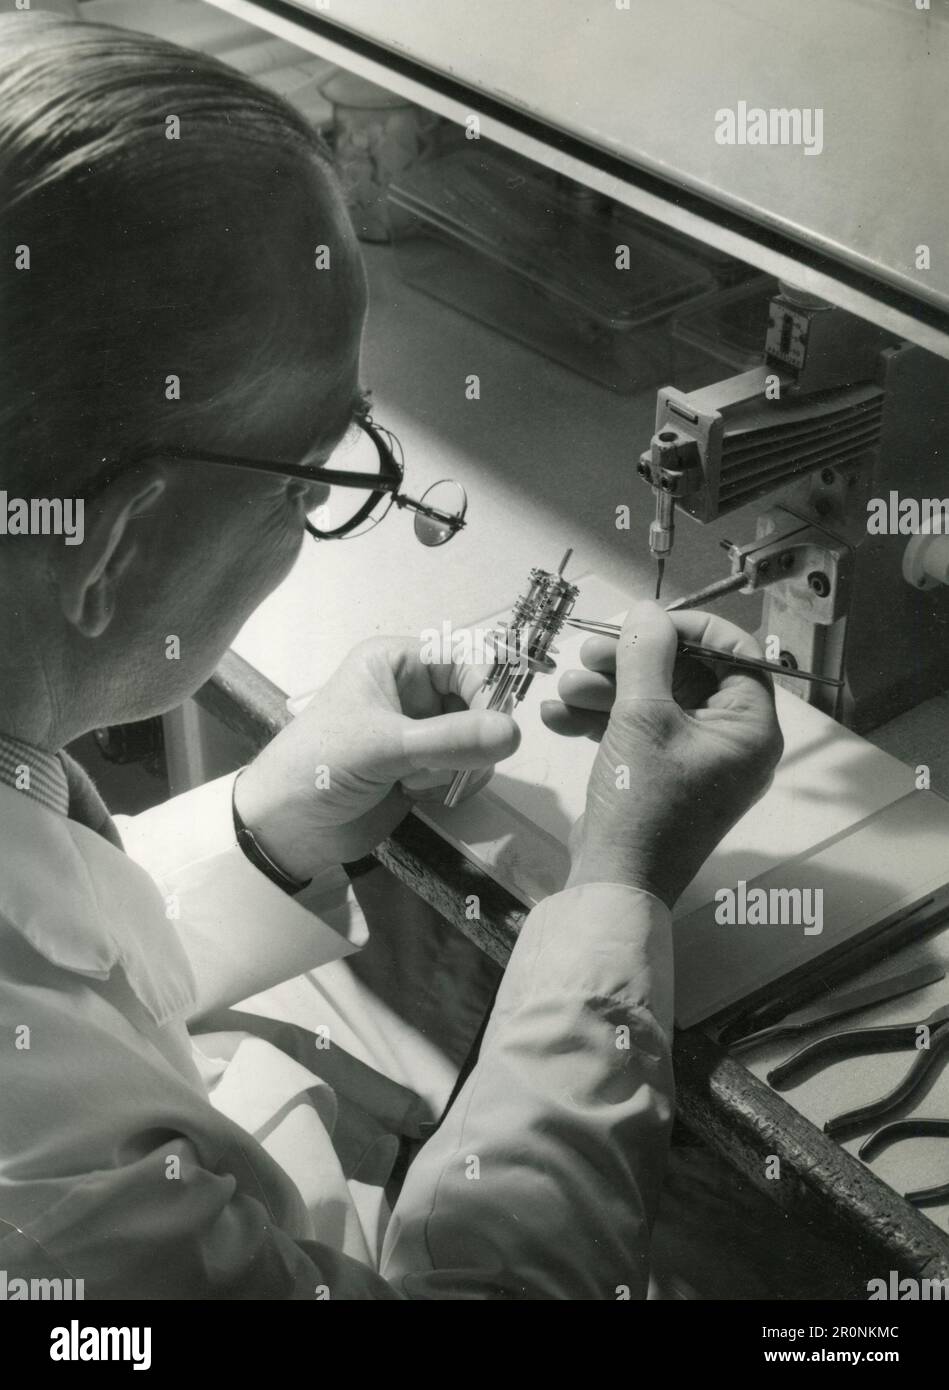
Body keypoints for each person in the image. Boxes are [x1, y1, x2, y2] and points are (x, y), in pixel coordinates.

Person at [0, 13, 782, 1299]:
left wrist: (273, 824)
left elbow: (61, 959)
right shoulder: (72, 1234)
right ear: (114, 547)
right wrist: (618, 887)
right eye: (320, 468)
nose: (323, 505)